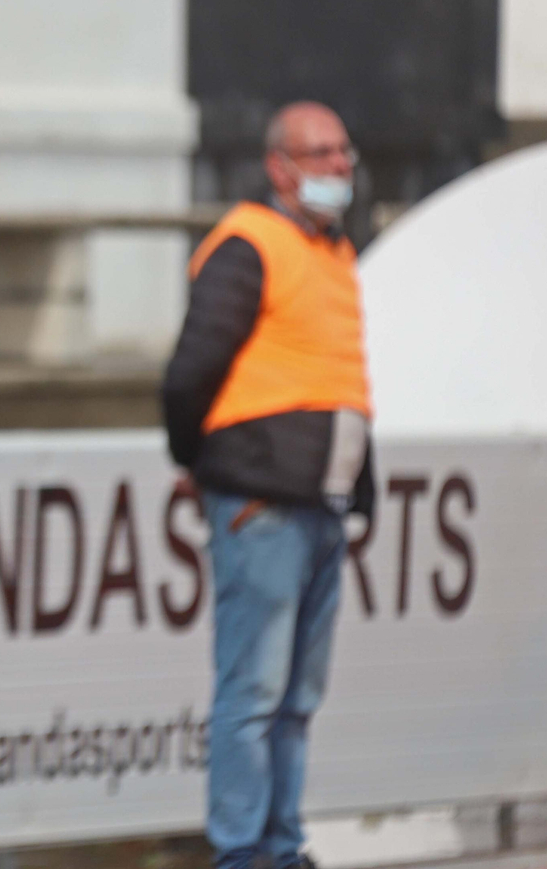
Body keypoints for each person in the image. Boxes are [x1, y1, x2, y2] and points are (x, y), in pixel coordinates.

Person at [161, 101, 374, 869]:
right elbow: (189, 374)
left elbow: (337, 376)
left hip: (319, 502)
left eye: (344, 151)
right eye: (321, 153)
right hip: (263, 500)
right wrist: (205, 462)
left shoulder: (333, 249)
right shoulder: (249, 244)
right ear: (280, 167)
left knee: (294, 699)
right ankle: (245, 852)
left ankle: (280, 847)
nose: (340, 166)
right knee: (253, 695)